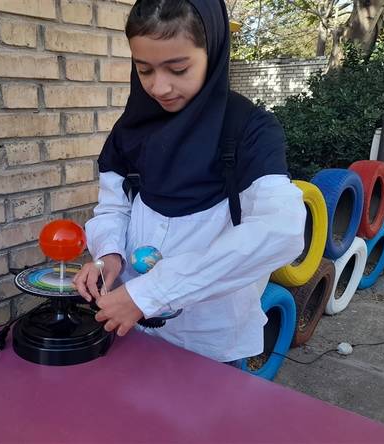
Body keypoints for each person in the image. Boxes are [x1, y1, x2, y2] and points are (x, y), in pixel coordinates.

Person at [72, 0, 306, 366]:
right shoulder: (131, 129)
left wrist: (153, 292)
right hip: (129, 327)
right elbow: (115, 206)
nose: (159, 87)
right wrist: (109, 254)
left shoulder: (248, 130)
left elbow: (281, 231)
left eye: (178, 69)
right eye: (144, 69)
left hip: (207, 340)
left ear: (212, 51)